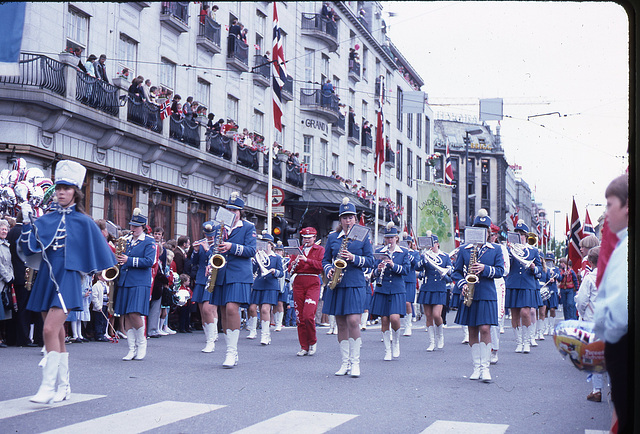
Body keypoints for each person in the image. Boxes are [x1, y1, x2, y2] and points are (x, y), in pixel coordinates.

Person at [18, 160, 116, 403]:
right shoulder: (46, 219)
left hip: (69, 279)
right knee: (58, 334)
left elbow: (103, 254)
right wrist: (27, 223)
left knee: (49, 329)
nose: (61, 192)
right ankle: (65, 385)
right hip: (47, 280)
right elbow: (28, 247)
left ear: (76, 193)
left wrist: (87, 269)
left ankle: (47, 386)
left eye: (67, 188)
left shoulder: (84, 222)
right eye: (59, 188)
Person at [323, 197, 374, 377]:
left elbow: (371, 261)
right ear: (340, 219)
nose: (348, 220)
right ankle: (344, 363)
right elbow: (325, 259)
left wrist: (353, 258)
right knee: (340, 323)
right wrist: (329, 269)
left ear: (355, 218)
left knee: (354, 321)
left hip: (355, 283)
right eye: (344, 217)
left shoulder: (364, 236)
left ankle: (355, 363)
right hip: (337, 283)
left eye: (351, 217)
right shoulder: (332, 237)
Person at [452, 209, 504, 382]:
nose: (482, 231)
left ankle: (486, 367)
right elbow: (456, 272)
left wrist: (485, 269)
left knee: (485, 329)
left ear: (489, 232)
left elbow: (501, 271)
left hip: (487, 293)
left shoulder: (496, 249)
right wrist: (463, 284)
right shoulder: (464, 249)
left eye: (485, 229)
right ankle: (476, 366)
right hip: (470, 293)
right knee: (472, 329)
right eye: (478, 228)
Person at [593, 174, 628, 431]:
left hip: (623, 350)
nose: (606, 213)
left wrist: (602, 332)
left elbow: (620, 311)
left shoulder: (626, 247)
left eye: (609, 204)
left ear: (627, 207)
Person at [210, 192, 257, 368]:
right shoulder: (220, 228)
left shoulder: (248, 227)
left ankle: (232, 351)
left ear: (241, 212)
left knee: (231, 308)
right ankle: (229, 349)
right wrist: (210, 262)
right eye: (229, 209)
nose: (232, 212)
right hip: (221, 272)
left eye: (235, 210)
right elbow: (214, 249)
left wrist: (232, 247)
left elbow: (251, 251)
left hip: (239, 273)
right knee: (223, 311)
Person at [114, 208, 156, 361]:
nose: (132, 229)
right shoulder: (127, 241)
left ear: (143, 227)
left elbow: (149, 262)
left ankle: (142, 343)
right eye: (131, 226)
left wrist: (129, 260)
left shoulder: (149, 241)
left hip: (139, 282)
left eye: (136, 227)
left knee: (134, 313)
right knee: (125, 314)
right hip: (126, 280)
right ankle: (131, 349)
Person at [371, 222, 409, 361]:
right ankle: (387, 350)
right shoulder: (379, 252)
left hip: (397, 289)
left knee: (394, 318)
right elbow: (373, 272)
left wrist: (392, 265)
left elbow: (405, 270)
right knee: (384, 320)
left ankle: (396, 342)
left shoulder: (403, 252)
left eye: (392, 237)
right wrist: (379, 269)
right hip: (382, 288)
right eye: (387, 238)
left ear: (396, 238)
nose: (390, 240)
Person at [504, 220, 541, 353]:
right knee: (514, 314)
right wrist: (509, 251)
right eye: (517, 234)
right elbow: (506, 266)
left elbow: (540, 269)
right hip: (513, 283)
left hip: (527, 283)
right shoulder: (510, 249)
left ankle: (526, 341)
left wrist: (534, 268)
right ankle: (519, 342)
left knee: (525, 312)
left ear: (526, 236)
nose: (520, 236)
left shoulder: (533, 250)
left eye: (522, 234)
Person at [289, 227, 324, 356]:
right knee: (300, 317)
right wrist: (294, 264)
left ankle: (312, 341)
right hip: (299, 282)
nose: (307, 240)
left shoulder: (320, 249)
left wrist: (307, 260)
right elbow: (289, 269)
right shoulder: (298, 251)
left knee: (308, 315)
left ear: (315, 238)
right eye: (305, 238)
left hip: (313, 282)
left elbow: (321, 266)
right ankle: (304, 346)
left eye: (309, 238)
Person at [575, 246, 602, 402]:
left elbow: (582, 301)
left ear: (590, 262)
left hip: (593, 321)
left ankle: (597, 390)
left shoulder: (590, 278)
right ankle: (613, 390)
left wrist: (582, 315)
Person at [416, 233, 452, 351]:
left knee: (437, 315)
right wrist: (423, 258)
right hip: (427, 287)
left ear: (437, 244)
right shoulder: (425, 255)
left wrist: (444, 276)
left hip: (439, 287)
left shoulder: (445, 256)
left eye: (432, 244)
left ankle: (440, 336)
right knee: (429, 316)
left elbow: (450, 275)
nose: (431, 247)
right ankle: (431, 342)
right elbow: (418, 267)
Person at [190, 221, 220, 353]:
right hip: (201, 278)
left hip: (213, 278)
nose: (210, 238)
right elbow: (193, 262)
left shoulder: (218, 245)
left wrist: (208, 250)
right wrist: (195, 251)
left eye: (212, 235)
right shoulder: (201, 244)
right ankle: (209, 335)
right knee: (202, 310)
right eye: (207, 235)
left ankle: (211, 339)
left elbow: (216, 259)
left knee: (209, 309)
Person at [249, 233, 283, 345]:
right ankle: (253, 330)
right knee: (252, 308)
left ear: (271, 245)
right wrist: (254, 259)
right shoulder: (258, 256)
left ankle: (265, 335)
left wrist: (274, 271)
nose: (264, 246)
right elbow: (253, 270)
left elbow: (281, 273)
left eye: (267, 244)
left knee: (264, 309)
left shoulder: (277, 257)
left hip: (271, 284)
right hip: (259, 283)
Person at [488, 224, 509, 363]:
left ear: (495, 236)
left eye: (491, 235)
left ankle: (494, 349)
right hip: (482, 283)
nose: (489, 237)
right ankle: (484, 349)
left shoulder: (501, 249)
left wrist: (487, 270)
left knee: (496, 317)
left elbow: (505, 270)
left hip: (496, 284)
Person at [401, 235, 420, 337]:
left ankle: (408, 325)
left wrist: (409, 255)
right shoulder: (399, 252)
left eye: (407, 243)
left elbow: (417, 264)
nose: (406, 244)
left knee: (408, 303)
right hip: (400, 279)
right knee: (400, 303)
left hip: (410, 280)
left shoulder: (415, 253)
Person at [0, 219, 14, 347]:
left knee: (3, 311)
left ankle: (2, 337)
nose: (4, 231)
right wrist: (7, 277)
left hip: (5, 282)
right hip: (1, 281)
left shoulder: (6, 245)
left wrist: (12, 276)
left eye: (6, 229)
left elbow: (9, 264)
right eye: (2, 229)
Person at [541, 252, 560, 335]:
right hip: (545, 290)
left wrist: (554, 274)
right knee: (544, 310)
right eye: (547, 260)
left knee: (552, 309)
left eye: (550, 260)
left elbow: (560, 277)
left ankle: (551, 327)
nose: (549, 262)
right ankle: (545, 328)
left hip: (553, 290)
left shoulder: (555, 269)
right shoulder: (544, 268)